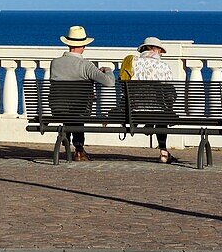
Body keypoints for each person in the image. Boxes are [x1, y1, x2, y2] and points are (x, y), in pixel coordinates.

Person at [49, 25, 114, 161]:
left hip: (58, 109)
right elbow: (109, 82)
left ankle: (74, 146)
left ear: (68, 44)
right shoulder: (85, 65)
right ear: (83, 45)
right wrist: (107, 69)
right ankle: (79, 149)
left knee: (71, 108)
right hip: (81, 110)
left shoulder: (55, 63)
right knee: (78, 110)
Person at [121, 37, 178, 164]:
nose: (161, 54)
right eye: (160, 51)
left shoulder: (131, 63)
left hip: (134, 112)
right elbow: (171, 95)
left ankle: (149, 124)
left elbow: (123, 90)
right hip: (158, 114)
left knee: (155, 111)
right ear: (155, 49)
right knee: (162, 112)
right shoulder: (163, 66)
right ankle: (163, 153)